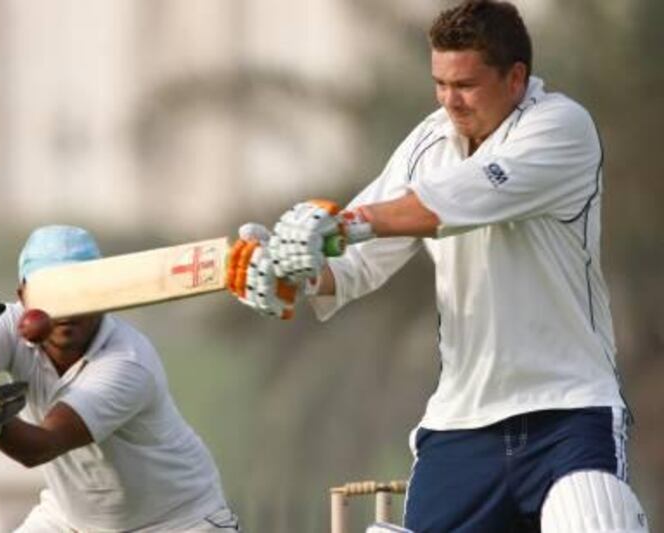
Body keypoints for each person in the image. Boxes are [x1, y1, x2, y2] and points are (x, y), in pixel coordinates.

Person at [226, 1, 648, 531]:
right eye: (440, 84)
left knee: (594, 518)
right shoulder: (428, 142)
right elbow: (356, 266)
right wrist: (292, 272)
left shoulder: (561, 128)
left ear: (516, 78)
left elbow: (451, 202)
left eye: (466, 85)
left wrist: (337, 227)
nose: (450, 101)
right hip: (462, 424)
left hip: (567, 411)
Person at [0, 225, 239, 532]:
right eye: (53, 292)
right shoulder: (10, 323)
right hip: (69, 521)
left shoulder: (126, 361)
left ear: (106, 293)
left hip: (177, 522)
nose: (67, 311)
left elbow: (40, 447)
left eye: (81, 291)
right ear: (23, 295)